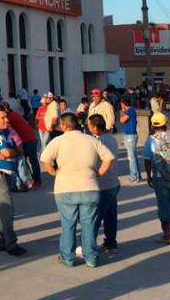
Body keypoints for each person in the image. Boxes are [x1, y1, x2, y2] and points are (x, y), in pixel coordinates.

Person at [40, 113, 115, 268]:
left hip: (65, 188)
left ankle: (67, 258)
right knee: (89, 224)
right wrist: (99, 173)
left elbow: (45, 158)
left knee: (68, 224)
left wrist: (53, 172)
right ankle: (91, 258)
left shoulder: (58, 141)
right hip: (89, 187)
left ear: (64, 125)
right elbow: (109, 158)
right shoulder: (91, 140)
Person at [0, 107, 27, 256]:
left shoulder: (5, 131)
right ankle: (11, 244)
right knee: (7, 208)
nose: (6, 120)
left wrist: (11, 152)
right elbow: (9, 152)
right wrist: (12, 152)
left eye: (6, 117)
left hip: (2, 173)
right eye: (2, 118)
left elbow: (18, 148)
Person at [143, 112, 170, 245]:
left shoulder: (151, 140)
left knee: (164, 205)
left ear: (152, 125)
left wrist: (148, 176)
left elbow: (147, 159)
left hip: (160, 177)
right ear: (166, 124)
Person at [88, 114, 121, 251]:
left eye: (90, 126)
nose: (88, 129)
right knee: (110, 216)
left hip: (103, 184)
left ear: (95, 127)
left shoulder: (98, 142)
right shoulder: (111, 138)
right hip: (113, 182)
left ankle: (89, 246)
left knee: (95, 218)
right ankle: (110, 242)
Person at [5, 103, 41, 189]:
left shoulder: (9, 117)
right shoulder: (13, 113)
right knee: (28, 161)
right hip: (28, 138)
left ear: (6, 109)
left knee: (30, 161)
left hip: (28, 139)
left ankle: (34, 180)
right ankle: (33, 180)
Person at [119, 98, 141, 182]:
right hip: (129, 135)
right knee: (133, 156)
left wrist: (122, 112)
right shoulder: (130, 110)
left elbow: (122, 120)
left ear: (123, 104)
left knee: (131, 157)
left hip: (130, 136)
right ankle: (137, 175)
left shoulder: (130, 110)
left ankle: (134, 176)